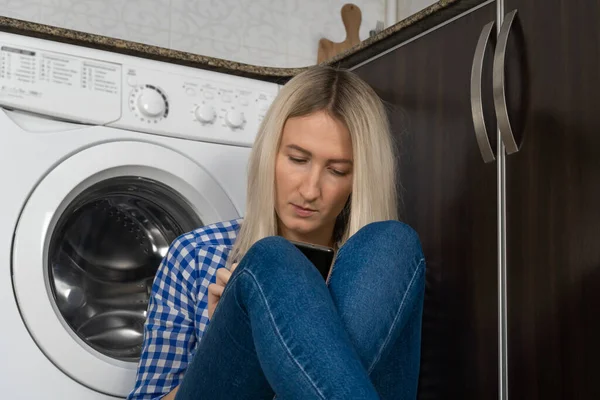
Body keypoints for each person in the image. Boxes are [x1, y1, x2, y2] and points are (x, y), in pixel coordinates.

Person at [128, 66, 426, 400]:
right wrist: (228, 338)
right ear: (270, 154)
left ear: (358, 180)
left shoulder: (374, 274)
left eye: (336, 170)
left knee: (393, 241)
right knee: (272, 258)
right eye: (298, 159)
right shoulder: (196, 255)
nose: (310, 190)